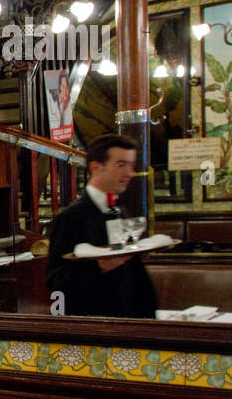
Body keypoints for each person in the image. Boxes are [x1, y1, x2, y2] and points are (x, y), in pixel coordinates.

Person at [45, 133, 157, 318]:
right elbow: (56, 280)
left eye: (131, 165)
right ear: (96, 167)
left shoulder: (119, 211)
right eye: (121, 165)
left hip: (128, 322)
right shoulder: (71, 217)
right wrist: (99, 267)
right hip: (95, 324)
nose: (129, 173)